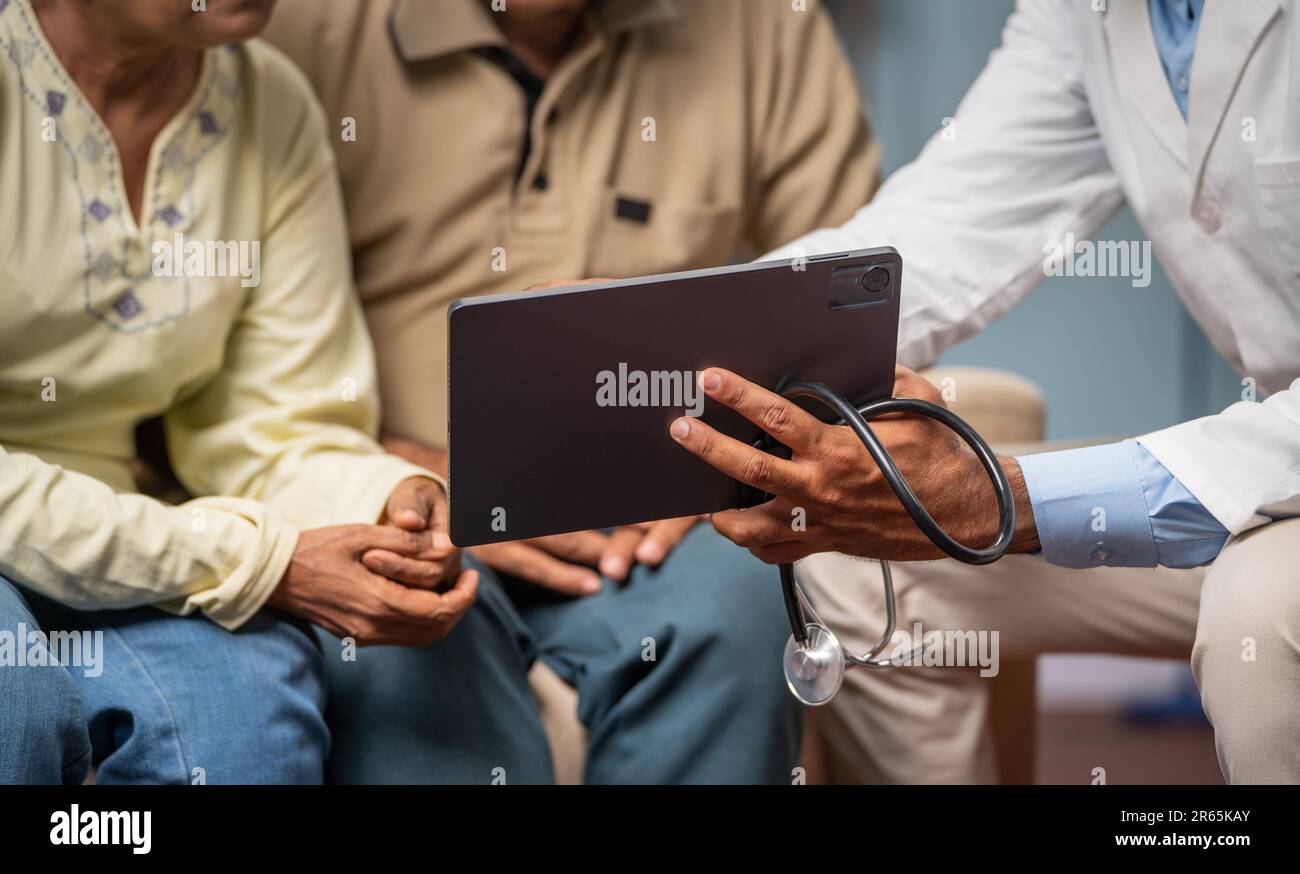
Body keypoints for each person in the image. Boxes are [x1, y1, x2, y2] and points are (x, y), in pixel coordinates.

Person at [669, 0, 1300, 783]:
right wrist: (669, 354)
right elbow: (946, 227)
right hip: (1265, 476)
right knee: (851, 556)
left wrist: (1005, 496)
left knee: (1264, 606)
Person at [262, 0, 878, 782]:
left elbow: (850, 308)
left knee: (730, 616)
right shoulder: (291, 31)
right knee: (399, 634)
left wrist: (716, 464)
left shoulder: (766, 27)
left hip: (649, 513)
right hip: (385, 482)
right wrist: (389, 466)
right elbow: (208, 366)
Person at [0, 0, 474, 784]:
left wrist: (389, 499)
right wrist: (261, 557)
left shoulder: (270, 102)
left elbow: (274, 424)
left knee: (250, 712)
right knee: (13, 703)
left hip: (119, 514)